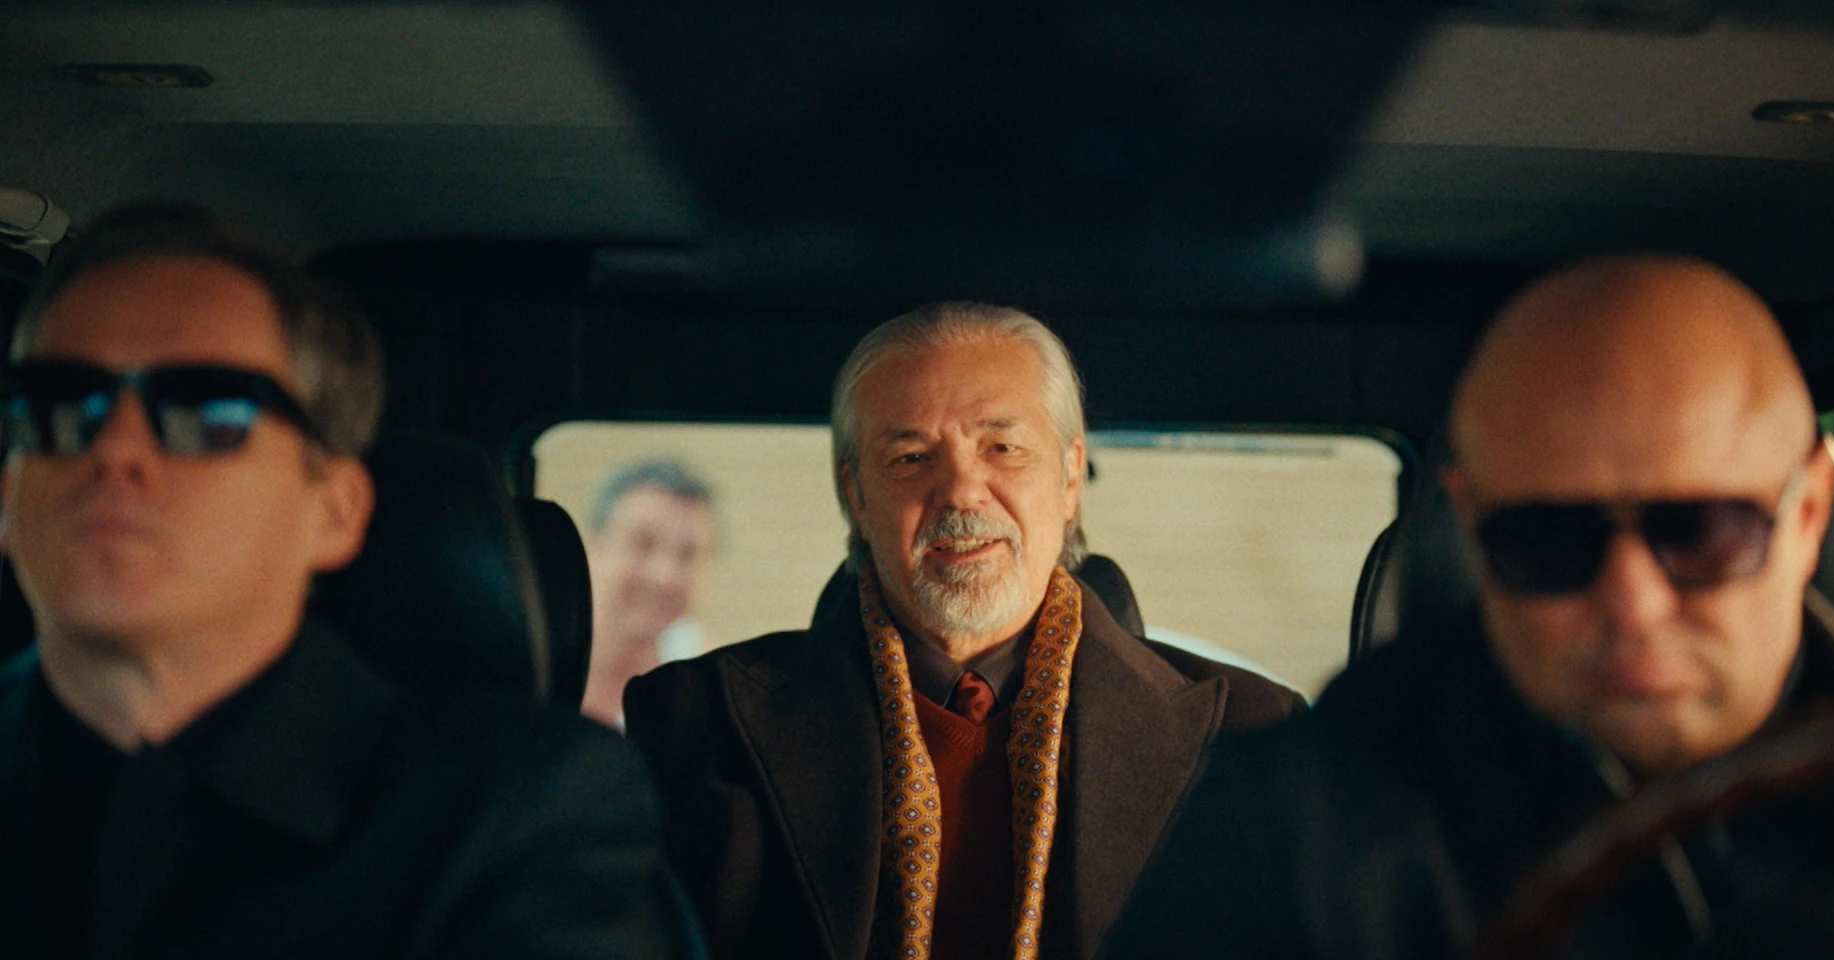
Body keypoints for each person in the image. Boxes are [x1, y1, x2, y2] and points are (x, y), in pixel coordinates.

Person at [1103, 254, 1834, 959]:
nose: (1632, 602)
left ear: (1808, 514)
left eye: (1698, 531)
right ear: (1471, 529)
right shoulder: (1300, 824)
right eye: (1548, 541)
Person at [0, 203, 699, 958]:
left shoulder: (520, 808)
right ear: (7, 497)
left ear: (334, 511)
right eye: (60, 409)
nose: (113, 452)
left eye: (206, 412)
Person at [625, 302, 1305, 960]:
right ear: (856, 495)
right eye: (912, 458)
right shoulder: (695, 720)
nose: (961, 491)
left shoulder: (1252, 732)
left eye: (1003, 448)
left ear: (1070, 477)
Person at [583, 459, 717, 730]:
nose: (665, 577)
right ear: (593, 547)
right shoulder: (535, 663)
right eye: (643, 544)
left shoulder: (712, 684)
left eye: (688, 554)